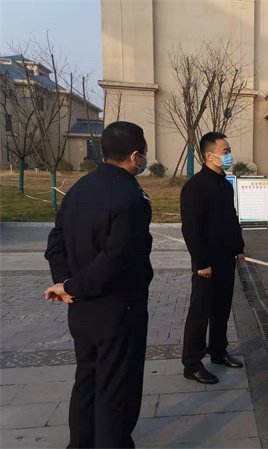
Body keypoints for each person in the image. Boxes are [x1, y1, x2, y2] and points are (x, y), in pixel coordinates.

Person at [44, 121, 153, 448]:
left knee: (87, 380)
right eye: (143, 153)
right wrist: (73, 286)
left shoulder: (79, 189)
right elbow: (117, 260)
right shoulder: (131, 198)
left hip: (81, 310)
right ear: (135, 156)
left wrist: (64, 282)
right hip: (118, 309)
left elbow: (56, 241)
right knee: (116, 389)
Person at [180, 132, 245, 385]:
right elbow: (191, 229)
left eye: (229, 151)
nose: (229, 155)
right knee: (200, 311)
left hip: (226, 258)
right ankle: (192, 363)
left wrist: (239, 247)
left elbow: (231, 218)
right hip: (206, 262)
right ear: (209, 155)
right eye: (225, 151)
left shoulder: (224, 185)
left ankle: (218, 350)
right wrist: (202, 262)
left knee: (222, 308)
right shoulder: (195, 187)